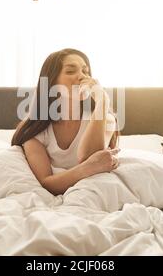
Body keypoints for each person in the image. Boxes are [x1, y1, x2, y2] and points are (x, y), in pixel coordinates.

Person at [11, 48, 120, 195]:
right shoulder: (34, 130)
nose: (82, 76)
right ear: (52, 81)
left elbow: (88, 158)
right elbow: (46, 182)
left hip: (92, 193)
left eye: (85, 71)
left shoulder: (105, 120)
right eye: (70, 71)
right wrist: (87, 168)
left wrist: (103, 101)